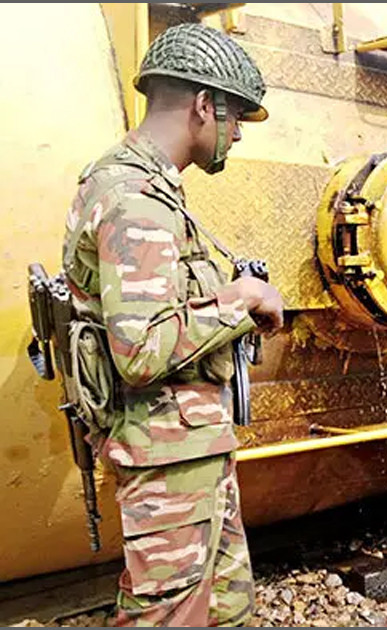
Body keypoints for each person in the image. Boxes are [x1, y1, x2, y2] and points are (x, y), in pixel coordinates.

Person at [60, 23, 283, 626]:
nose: (236, 133)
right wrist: (242, 300)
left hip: (190, 451)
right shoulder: (135, 199)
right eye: (235, 117)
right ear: (203, 105)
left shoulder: (155, 189)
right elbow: (141, 350)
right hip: (164, 462)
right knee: (168, 617)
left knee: (227, 607)